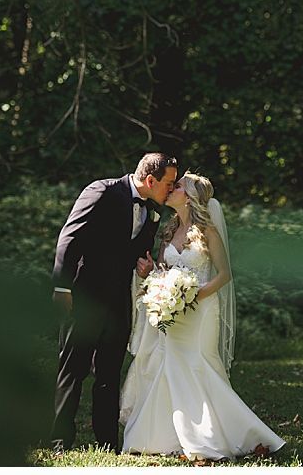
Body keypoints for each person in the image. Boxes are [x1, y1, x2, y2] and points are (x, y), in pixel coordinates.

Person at [119, 171, 286, 460]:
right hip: (174, 312)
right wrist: (152, 276)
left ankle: (228, 435)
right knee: (169, 367)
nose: (170, 189)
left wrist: (192, 298)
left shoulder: (207, 230)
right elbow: (163, 271)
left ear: (191, 197)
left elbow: (224, 275)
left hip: (201, 312)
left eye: (178, 187)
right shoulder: (169, 230)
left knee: (199, 367)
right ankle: (162, 437)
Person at [50, 153, 179, 452]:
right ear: (150, 180)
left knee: (109, 373)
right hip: (83, 298)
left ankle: (107, 442)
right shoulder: (102, 191)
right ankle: (60, 442)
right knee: (72, 370)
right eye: (168, 184)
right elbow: (68, 238)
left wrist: (143, 265)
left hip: (119, 301)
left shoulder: (153, 212)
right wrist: (61, 287)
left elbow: (134, 251)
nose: (171, 190)